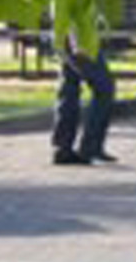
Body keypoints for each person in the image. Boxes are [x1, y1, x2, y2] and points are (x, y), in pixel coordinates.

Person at [51, 24, 118, 167]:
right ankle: (89, 147)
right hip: (79, 35)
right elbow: (71, 6)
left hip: (67, 33)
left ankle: (63, 148)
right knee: (104, 88)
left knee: (69, 88)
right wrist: (76, 39)